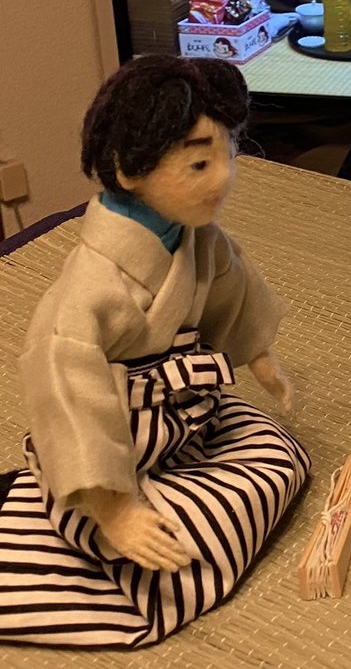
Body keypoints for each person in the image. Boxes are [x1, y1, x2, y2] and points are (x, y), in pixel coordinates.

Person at [0, 57, 309, 647]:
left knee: (279, 458)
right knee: (178, 549)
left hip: (185, 416)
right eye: (198, 164)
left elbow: (231, 285)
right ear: (127, 168)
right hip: (117, 441)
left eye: (228, 155)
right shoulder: (90, 288)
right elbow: (66, 389)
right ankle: (82, 524)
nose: (222, 180)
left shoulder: (194, 237)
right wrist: (116, 510)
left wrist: (257, 352)